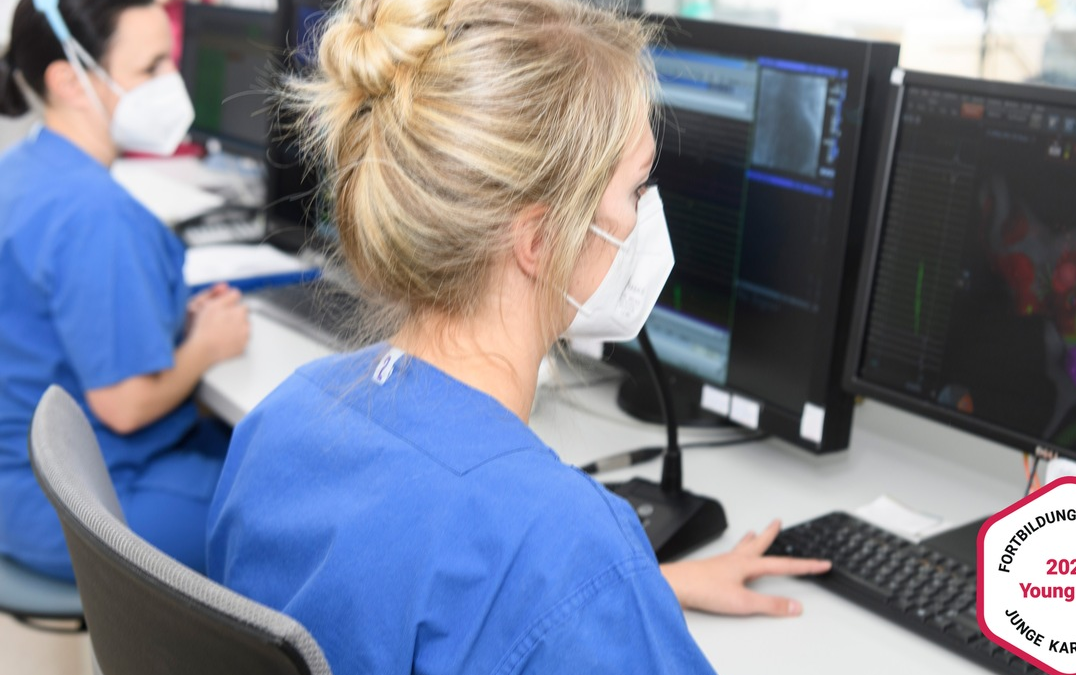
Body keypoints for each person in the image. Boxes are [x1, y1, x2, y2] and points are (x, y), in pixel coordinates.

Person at [206, 0, 829, 672]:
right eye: (637, 187)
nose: (647, 217)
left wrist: (641, 592)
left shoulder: (283, 419)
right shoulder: (565, 548)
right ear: (539, 239)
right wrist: (611, 589)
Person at [0, 0, 249, 580]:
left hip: (21, 480)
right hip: (76, 499)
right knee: (289, 512)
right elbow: (127, 404)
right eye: (151, 67)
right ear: (66, 80)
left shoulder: (26, 165)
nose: (172, 84)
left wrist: (160, 315)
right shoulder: (96, 216)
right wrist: (207, 345)